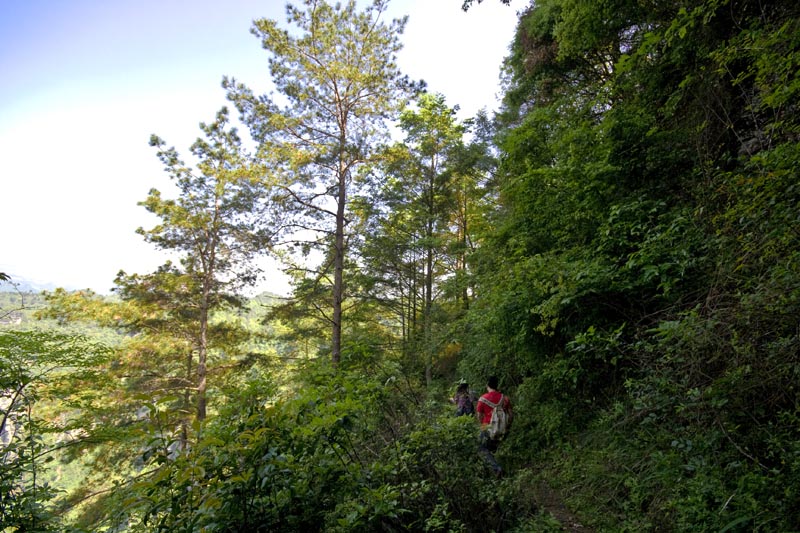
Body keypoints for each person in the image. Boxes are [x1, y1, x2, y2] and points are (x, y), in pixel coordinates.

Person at [476, 375, 512, 476]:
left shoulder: (482, 399)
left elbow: (479, 416)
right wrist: (507, 427)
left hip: (488, 428)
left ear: (487, 385)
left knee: (481, 448)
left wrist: (483, 427)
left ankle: (496, 469)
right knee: (492, 448)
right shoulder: (505, 398)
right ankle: (494, 467)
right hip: (502, 429)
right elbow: (511, 415)